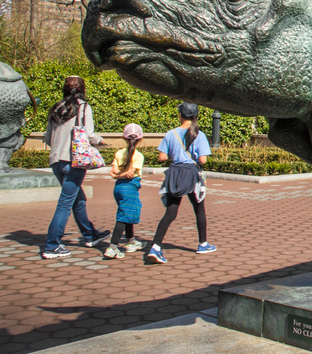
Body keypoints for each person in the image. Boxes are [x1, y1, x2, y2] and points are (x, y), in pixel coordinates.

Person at [42, 76, 109, 259]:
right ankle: (52, 245)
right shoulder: (84, 107)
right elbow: (88, 134)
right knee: (65, 203)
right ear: (82, 89)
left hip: (56, 160)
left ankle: (90, 234)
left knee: (78, 198)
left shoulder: (56, 107)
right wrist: (101, 142)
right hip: (75, 161)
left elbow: (48, 138)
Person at [147, 103, 216, 263]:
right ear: (195, 116)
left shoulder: (171, 134)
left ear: (180, 115)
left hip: (175, 173)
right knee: (199, 209)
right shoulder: (199, 135)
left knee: (170, 213)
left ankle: (155, 247)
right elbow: (203, 160)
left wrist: (176, 156)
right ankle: (203, 244)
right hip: (192, 174)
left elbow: (162, 157)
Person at [104, 124, 145, 259]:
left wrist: (116, 176)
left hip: (118, 188)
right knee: (124, 216)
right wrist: (120, 175)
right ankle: (113, 246)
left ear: (124, 137)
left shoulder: (119, 153)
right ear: (141, 139)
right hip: (129, 188)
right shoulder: (138, 156)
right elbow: (130, 174)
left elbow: (115, 171)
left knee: (128, 212)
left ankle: (130, 240)